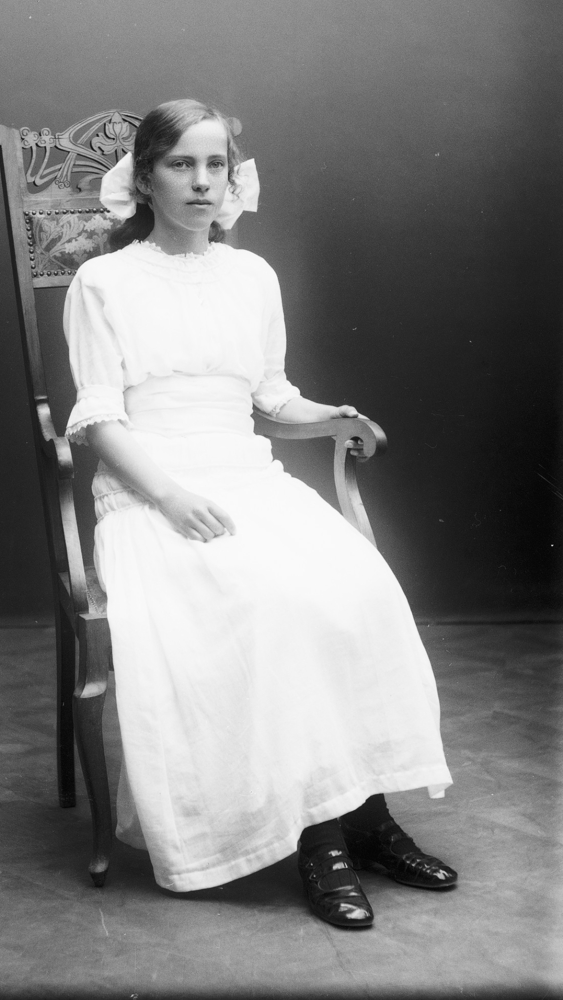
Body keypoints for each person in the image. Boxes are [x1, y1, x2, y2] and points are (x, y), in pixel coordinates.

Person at [62, 99, 456, 928]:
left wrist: (332, 417)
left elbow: (271, 395)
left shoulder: (253, 275)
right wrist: (170, 496)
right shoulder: (105, 282)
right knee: (271, 605)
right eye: (181, 165)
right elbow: (99, 420)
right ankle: (319, 839)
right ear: (145, 178)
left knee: (357, 588)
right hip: (152, 492)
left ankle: (370, 818)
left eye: (216, 165)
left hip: (249, 478)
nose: (202, 182)